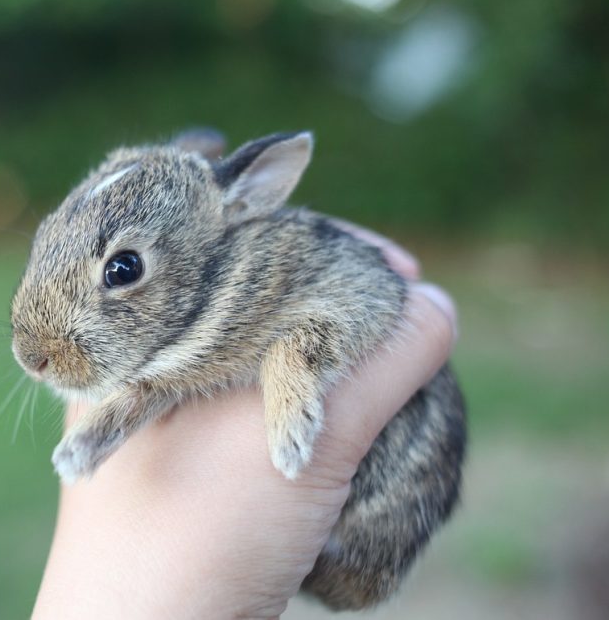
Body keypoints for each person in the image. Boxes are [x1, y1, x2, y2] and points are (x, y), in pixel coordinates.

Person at [31, 225, 459, 620]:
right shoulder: (190, 328)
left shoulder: (265, 269)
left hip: (372, 511)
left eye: (122, 270)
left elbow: (362, 293)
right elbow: (167, 378)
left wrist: (294, 365)